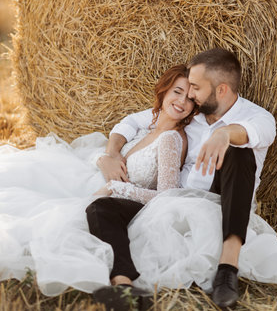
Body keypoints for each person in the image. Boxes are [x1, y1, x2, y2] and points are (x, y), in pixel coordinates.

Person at [88, 48, 277, 309]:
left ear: (221, 90)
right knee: (101, 208)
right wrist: (111, 154)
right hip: (173, 200)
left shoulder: (258, 117)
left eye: (195, 87)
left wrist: (224, 134)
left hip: (221, 207)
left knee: (239, 155)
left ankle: (227, 270)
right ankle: (124, 286)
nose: (189, 94)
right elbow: (131, 123)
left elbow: (252, 132)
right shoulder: (192, 113)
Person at [0, 64, 198, 300]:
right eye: (177, 91)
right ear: (164, 91)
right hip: (101, 187)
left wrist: (117, 187)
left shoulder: (171, 139)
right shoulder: (149, 126)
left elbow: (167, 196)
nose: (182, 101)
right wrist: (106, 158)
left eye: (190, 98)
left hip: (129, 203)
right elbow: (121, 134)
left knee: (83, 214)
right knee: (33, 177)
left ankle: (124, 286)